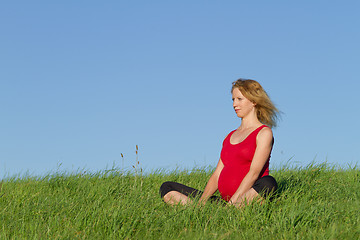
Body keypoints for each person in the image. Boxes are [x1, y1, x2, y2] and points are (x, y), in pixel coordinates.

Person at [159, 79, 279, 207]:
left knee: (268, 183)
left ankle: (231, 209)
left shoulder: (264, 133)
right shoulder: (229, 136)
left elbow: (254, 172)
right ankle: (205, 211)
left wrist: (233, 201)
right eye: (233, 99)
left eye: (239, 99)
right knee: (167, 187)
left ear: (254, 101)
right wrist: (202, 202)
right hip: (222, 202)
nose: (234, 104)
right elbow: (217, 174)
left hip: (245, 196)